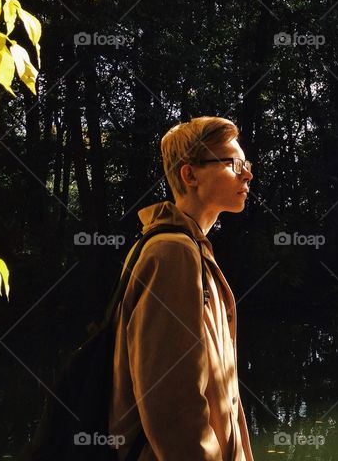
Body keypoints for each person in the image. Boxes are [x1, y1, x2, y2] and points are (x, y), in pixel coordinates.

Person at [109, 116, 256, 460]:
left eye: (246, 164)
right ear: (189, 175)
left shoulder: (193, 249)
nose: (247, 174)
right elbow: (172, 405)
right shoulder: (172, 253)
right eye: (234, 164)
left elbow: (224, 393)